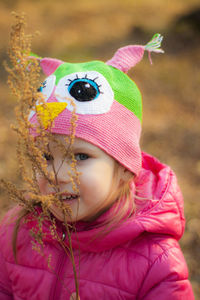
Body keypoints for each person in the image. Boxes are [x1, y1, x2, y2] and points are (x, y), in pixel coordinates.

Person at [0, 34, 194, 299]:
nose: (56, 174)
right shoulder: (17, 232)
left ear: (125, 167)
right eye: (44, 157)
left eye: (80, 157)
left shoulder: (156, 262)